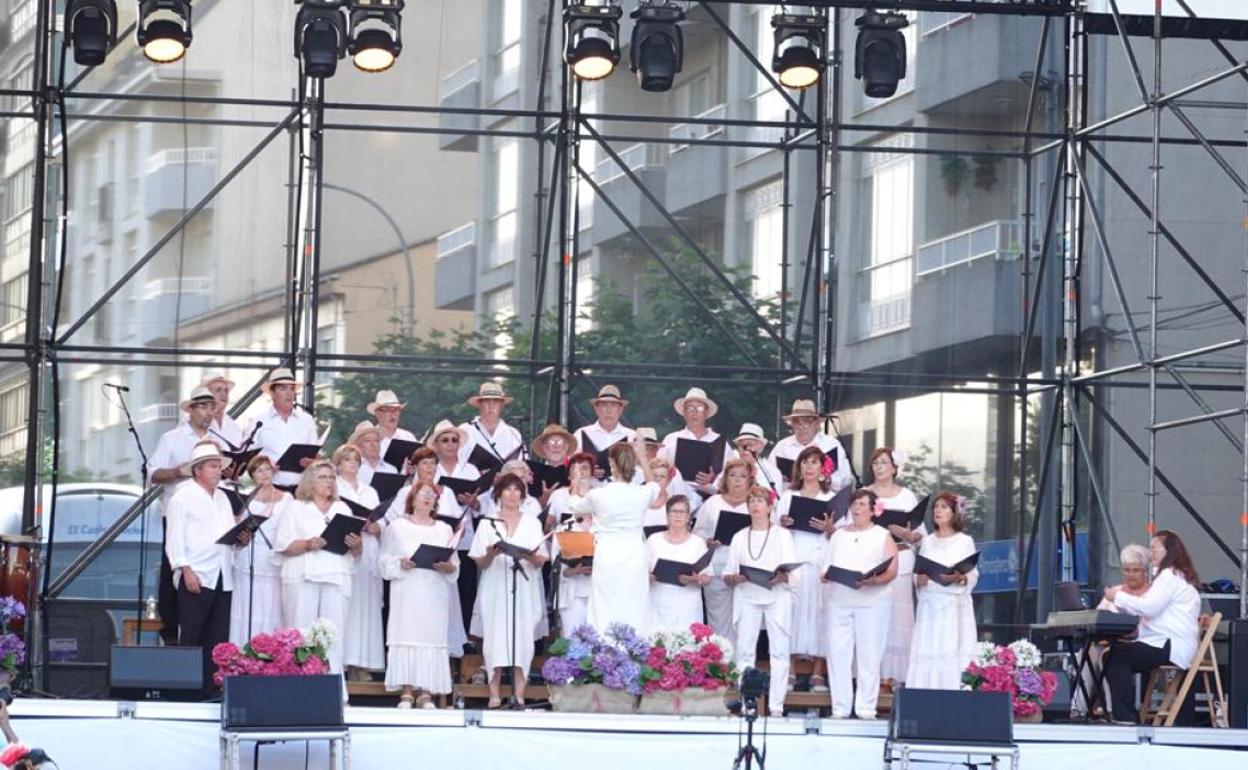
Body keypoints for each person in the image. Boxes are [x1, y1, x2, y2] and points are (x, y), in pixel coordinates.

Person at [164, 440, 243, 694]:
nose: (218, 470)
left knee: (217, 638)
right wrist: (185, 569)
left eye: (219, 466)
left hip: (223, 573)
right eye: (212, 466)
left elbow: (226, 534)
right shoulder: (182, 497)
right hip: (198, 573)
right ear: (198, 470)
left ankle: (212, 689)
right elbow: (174, 538)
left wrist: (241, 539)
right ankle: (185, 690)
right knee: (190, 634)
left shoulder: (223, 498)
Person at [273, 460, 363, 674]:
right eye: (323, 477)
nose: (329, 482)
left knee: (334, 634)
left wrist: (357, 545)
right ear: (310, 482)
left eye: (332, 477)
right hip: (303, 576)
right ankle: (299, 684)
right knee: (301, 633)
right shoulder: (296, 507)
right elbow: (282, 545)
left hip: (336, 576)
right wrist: (307, 544)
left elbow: (355, 549)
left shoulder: (343, 507)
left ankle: (335, 688)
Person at [1102, 530, 1202, 724]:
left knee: (1115, 655)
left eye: (1154, 548)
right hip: (1164, 643)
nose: (1150, 552)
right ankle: (1127, 716)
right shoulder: (1170, 576)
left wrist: (1118, 596)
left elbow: (1149, 608)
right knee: (1119, 653)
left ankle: (1126, 718)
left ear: (1169, 551)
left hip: (1170, 645)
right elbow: (1148, 608)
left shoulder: (1169, 576)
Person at [150, 385, 224, 643]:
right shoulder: (172, 438)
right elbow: (152, 473)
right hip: (180, 509)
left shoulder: (220, 438)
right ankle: (172, 627)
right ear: (190, 410)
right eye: (202, 406)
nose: (207, 412)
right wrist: (177, 472)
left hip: (212, 512)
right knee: (175, 570)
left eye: (211, 407)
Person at [469, 473, 548, 709]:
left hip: (523, 585)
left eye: (517, 490)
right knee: (495, 636)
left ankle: (519, 693)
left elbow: (542, 559)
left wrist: (529, 556)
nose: (512, 494)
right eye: (508, 489)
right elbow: (479, 562)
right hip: (495, 585)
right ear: (499, 493)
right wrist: (493, 553)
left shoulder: (532, 522)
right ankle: (494, 692)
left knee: (522, 637)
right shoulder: (487, 522)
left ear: (522, 495)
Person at [379, 480, 459, 709]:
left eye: (431, 495)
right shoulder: (397, 527)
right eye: (422, 494)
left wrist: (448, 567)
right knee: (407, 633)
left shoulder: (443, 529)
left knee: (430, 637)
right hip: (408, 588)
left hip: (434, 590)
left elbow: (454, 563)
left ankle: (425, 692)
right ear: (412, 498)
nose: (427, 498)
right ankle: (406, 691)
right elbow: (383, 560)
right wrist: (400, 563)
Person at [821, 489, 899, 719]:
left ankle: (866, 707)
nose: (857, 508)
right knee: (838, 654)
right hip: (840, 601)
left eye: (863, 504)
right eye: (854, 504)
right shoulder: (838, 535)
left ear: (873, 510)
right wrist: (826, 575)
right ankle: (840, 707)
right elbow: (826, 568)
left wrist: (874, 580)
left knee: (869, 655)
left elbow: (892, 570)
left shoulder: (882, 535)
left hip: (872, 602)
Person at [570, 438, 658, 632]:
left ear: (612, 464)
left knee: (604, 604)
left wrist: (576, 481)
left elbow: (575, 505)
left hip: (608, 554)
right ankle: (633, 648)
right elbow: (655, 487)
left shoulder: (599, 495)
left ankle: (605, 652)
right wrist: (643, 458)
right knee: (634, 602)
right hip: (634, 553)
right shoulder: (641, 493)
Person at [724, 486, 796, 717]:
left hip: (776, 596)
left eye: (760, 501)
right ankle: (747, 703)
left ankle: (776, 705)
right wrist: (736, 577)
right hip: (747, 594)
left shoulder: (782, 535)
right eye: (752, 501)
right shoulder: (739, 536)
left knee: (779, 651)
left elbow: (793, 572)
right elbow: (728, 575)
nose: (755, 505)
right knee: (745, 651)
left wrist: (781, 576)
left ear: (769, 507)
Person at [774, 445, 834, 693]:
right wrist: (784, 523)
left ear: (822, 468)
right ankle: (790, 669)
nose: (809, 467)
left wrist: (830, 528)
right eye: (805, 462)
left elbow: (842, 532)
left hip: (820, 558)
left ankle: (819, 671)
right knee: (793, 612)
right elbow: (776, 526)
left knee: (820, 613)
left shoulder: (830, 497)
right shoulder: (788, 496)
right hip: (796, 556)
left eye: (814, 462)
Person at [906, 492, 978, 690]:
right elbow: (918, 571)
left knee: (950, 648)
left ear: (955, 512)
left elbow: (972, 574)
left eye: (944, 507)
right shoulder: (927, 541)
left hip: (952, 605)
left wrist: (959, 577)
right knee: (928, 647)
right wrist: (918, 579)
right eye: (936, 507)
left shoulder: (964, 541)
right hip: (930, 604)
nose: (938, 510)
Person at [865, 447, 923, 687]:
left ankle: (897, 676)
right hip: (872, 559)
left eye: (884, 462)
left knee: (899, 616)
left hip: (901, 557)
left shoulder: (906, 495)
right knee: (872, 616)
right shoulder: (863, 494)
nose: (880, 467)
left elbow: (920, 534)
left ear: (895, 468)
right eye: (876, 462)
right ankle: (872, 676)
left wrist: (907, 533)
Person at [1072, 543, 1150, 716]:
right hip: (1106, 641)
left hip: (1137, 645)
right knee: (1087, 653)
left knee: (1108, 655)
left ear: (1145, 571)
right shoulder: (1114, 592)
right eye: (1127, 570)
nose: (1130, 575)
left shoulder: (1152, 594)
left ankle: (1111, 710)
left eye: (1135, 570)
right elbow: (1099, 616)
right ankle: (1078, 709)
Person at [334, 441, 385, 680]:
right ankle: (344, 661)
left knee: (367, 605)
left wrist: (376, 526)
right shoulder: (335, 488)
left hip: (370, 547)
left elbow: (381, 517)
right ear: (338, 464)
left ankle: (363, 663)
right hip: (348, 547)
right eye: (347, 460)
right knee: (348, 605)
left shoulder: (369, 490)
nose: (352, 464)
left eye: (356, 460)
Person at [229, 455, 290, 646]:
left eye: (267, 469)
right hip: (249, 555)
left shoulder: (287, 498)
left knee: (271, 606)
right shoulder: (245, 499)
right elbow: (236, 526)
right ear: (252, 475)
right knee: (248, 604)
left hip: (275, 557)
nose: (264, 474)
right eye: (259, 470)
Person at [691, 457, 752, 638]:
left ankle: (743, 664)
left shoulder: (755, 503)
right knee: (717, 618)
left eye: (742, 476)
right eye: (733, 475)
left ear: (750, 479)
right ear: (726, 478)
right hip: (717, 565)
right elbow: (697, 533)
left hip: (744, 569)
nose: (737, 479)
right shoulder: (713, 502)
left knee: (745, 619)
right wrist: (707, 541)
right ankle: (720, 661)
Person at [647, 495, 710, 630]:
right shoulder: (654, 540)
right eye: (674, 511)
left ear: (688, 517)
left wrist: (695, 579)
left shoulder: (698, 543)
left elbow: (707, 577)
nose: (678, 516)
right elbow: (641, 570)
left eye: (682, 512)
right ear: (667, 515)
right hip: (658, 602)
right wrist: (649, 576)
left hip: (687, 605)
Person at [549, 452, 596, 634]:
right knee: (572, 639)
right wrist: (573, 570)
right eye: (576, 469)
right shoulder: (565, 528)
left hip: (598, 591)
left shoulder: (604, 527)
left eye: (585, 468)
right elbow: (556, 563)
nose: (581, 473)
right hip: (571, 591)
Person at [250, 369, 320, 489]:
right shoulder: (258, 422)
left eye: (291, 389)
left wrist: (311, 462)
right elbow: (248, 457)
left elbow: (316, 454)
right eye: (283, 389)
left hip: (302, 488)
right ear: (272, 393)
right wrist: (265, 463)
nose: (289, 393)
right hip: (270, 487)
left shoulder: (307, 420)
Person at [767, 399, 853, 493]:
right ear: (792, 425)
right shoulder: (782, 447)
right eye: (797, 422)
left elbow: (847, 477)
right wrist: (780, 478)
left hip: (824, 501)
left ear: (816, 423)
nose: (802, 426)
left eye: (807, 422)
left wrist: (829, 480)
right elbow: (768, 478)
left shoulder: (831, 444)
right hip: (791, 502)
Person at [661, 387, 732, 497]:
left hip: (709, 496)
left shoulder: (719, 442)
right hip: (676, 494)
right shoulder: (671, 439)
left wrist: (713, 478)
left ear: (706, 412)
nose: (694, 412)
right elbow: (659, 466)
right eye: (690, 408)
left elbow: (730, 472)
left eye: (699, 408)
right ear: (684, 412)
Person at [573, 385, 637, 479]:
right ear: (596, 409)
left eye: (613, 405)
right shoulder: (580, 434)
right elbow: (572, 465)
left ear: (620, 410)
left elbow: (638, 468)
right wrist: (587, 469)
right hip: (588, 490)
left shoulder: (632, 436)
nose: (609, 410)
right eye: (604, 405)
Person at [460, 382, 526, 469]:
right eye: (486, 401)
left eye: (496, 401)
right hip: (472, 481)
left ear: (502, 405)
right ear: (479, 404)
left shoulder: (514, 434)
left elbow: (522, 465)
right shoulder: (464, 430)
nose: (491, 406)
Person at [725, 423, 783, 500]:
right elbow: (717, 489)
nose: (745, 449)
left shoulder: (772, 472)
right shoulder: (730, 466)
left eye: (750, 445)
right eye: (742, 445)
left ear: (761, 447)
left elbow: (775, 499)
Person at [368, 389, 417, 468]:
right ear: (378, 414)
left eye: (396, 410)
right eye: (388, 410)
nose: (393, 415)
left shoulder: (408, 437)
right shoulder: (369, 439)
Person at [201, 372, 244, 449]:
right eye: (218, 390)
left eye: (226, 391)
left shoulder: (234, 427)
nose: (224, 394)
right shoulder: (195, 422)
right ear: (207, 394)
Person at [349, 420, 396, 487]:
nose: (373, 444)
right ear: (358, 445)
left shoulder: (392, 470)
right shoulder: (352, 468)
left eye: (376, 441)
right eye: (368, 441)